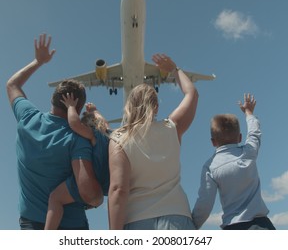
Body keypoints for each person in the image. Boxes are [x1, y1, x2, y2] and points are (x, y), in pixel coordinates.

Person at [6, 33, 103, 230]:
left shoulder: (27, 119)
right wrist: (97, 199)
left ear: (52, 99)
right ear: (78, 107)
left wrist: (38, 61)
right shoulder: (77, 137)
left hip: (31, 224)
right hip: (71, 226)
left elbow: (12, 85)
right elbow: (89, 194)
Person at [108, 53, 199, 230]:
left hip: (137, 220)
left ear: (129, 106)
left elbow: (118, 190)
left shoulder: (119, 138)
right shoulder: (173, 127)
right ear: (156, 107)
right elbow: (192, 94)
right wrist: (174, 69)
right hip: (177, 219)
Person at [192, 94, 276, 230]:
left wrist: (192, 225)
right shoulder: (248, 153)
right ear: (240, 137)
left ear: (213, 142)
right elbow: (254, 133)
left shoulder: (210, 167)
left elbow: (205, 203)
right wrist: (249, 113)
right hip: (261, 225)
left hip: (233, 227)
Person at [45, 94, 110, 230]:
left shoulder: (93, 135)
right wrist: (94, 110)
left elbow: (74, 123)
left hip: (90, 183)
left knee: (55, 198)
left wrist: (71, 107)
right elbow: (104, 122)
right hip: (104, 185)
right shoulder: (107, 135)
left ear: (88, 126)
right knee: (91, 200)